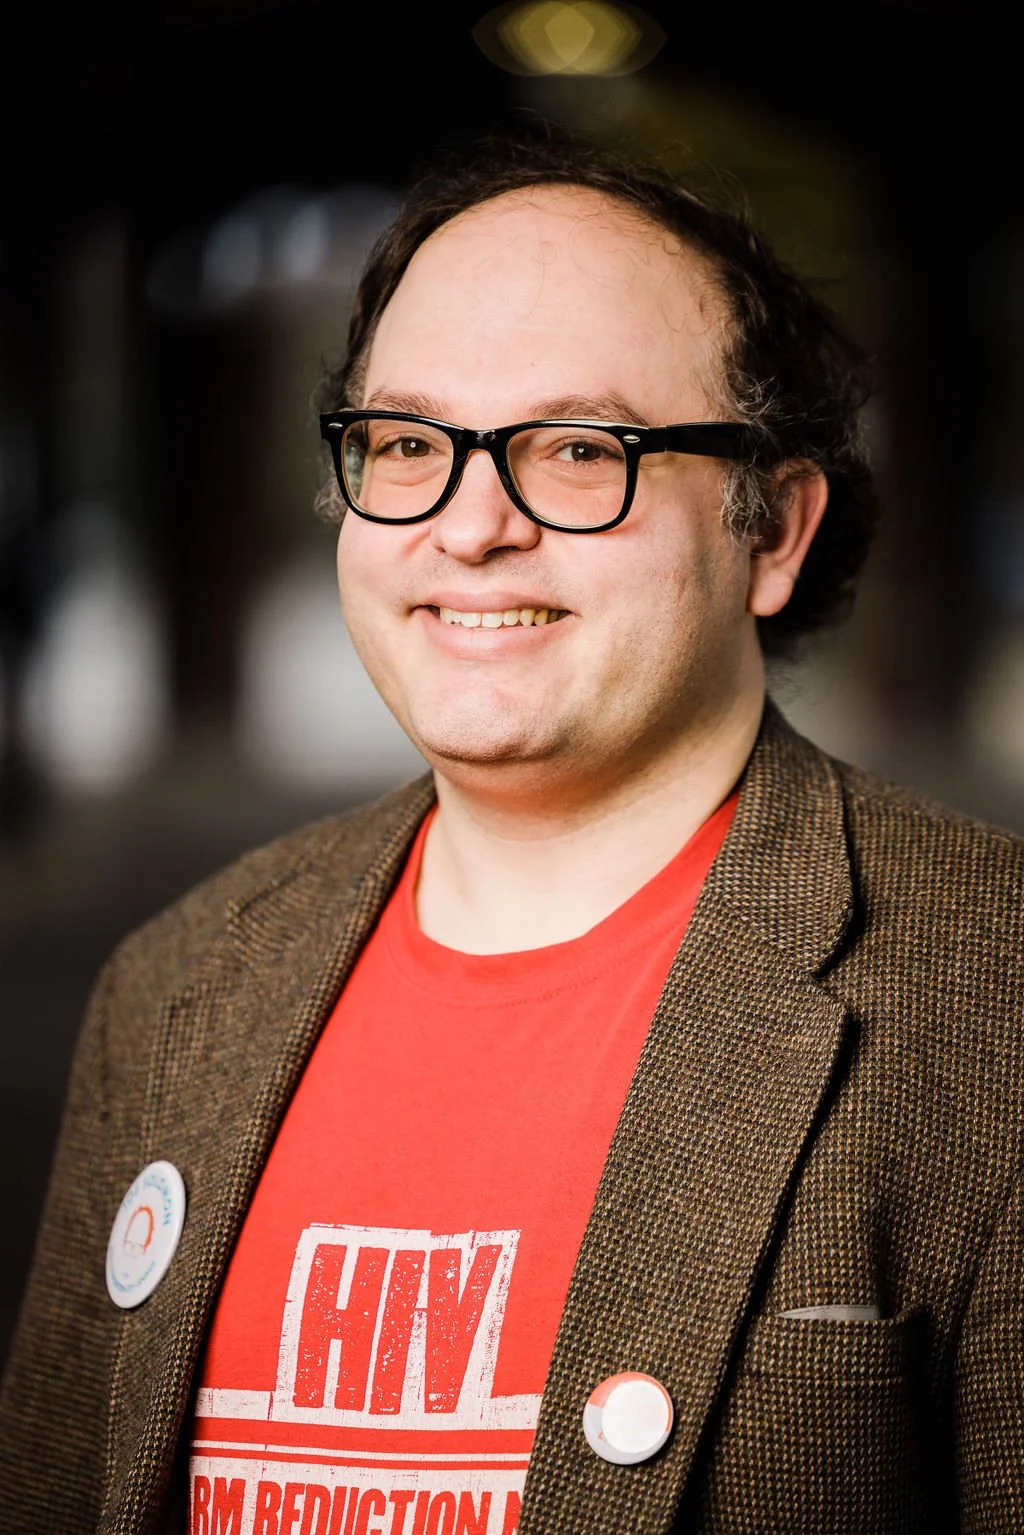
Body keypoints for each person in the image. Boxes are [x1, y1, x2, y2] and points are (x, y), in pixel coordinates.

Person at [1, 118, 1022, 1535]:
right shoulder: (173, 991)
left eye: (576, 447)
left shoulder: (990, 995)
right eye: (410, 442)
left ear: (774, 529)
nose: (471, 524)